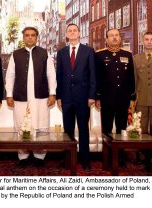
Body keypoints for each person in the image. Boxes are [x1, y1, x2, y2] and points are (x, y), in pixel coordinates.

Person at [5, 26, 56, 166]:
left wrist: (52, 93)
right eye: (27, 35)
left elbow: (51, 74)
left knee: (41, 126)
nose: (30, 37)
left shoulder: (44, 53)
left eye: (33, 35)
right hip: (21, 97)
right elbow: (10, 76)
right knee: (21, 125)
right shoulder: (15, 54)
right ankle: (23, 156)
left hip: (41, 97)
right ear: (23, 37)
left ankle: (40, 156)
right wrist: (9, 94)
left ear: (37, 37)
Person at [56, 23, 96, 170]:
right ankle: (68, 159)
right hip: (66, 98)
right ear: (66, 34)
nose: (72, 32)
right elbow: (59, 76)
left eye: (75, 30)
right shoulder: (61, 53)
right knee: (68, 130)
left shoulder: (88, 51)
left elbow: (93, 74)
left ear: (79, 33)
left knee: (83, 129)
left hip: (83, 98)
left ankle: (85, 160)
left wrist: (91, 96)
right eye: (69, 31)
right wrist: (59, 96)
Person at [95, 28, 135, 134]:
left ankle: (120, 151)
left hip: (123, 98)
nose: (114, 37)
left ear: (120, 38)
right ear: (107, 39)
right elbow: (97, 77)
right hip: (106, 97)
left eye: (117, 35)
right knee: (106, 129)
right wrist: (97, 97)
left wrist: (132, 96)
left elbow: (131, 76)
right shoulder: (99, 55)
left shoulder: (127, 54)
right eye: (111, 35)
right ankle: (107, 151)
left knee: (122, 129)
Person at [133, 32, 152, 172]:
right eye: (147, 39)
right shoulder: (136, 59)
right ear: (143, 41)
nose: (149, 42)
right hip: (142, 99)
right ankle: (142, 156)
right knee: (141, 129)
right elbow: (134, 81)